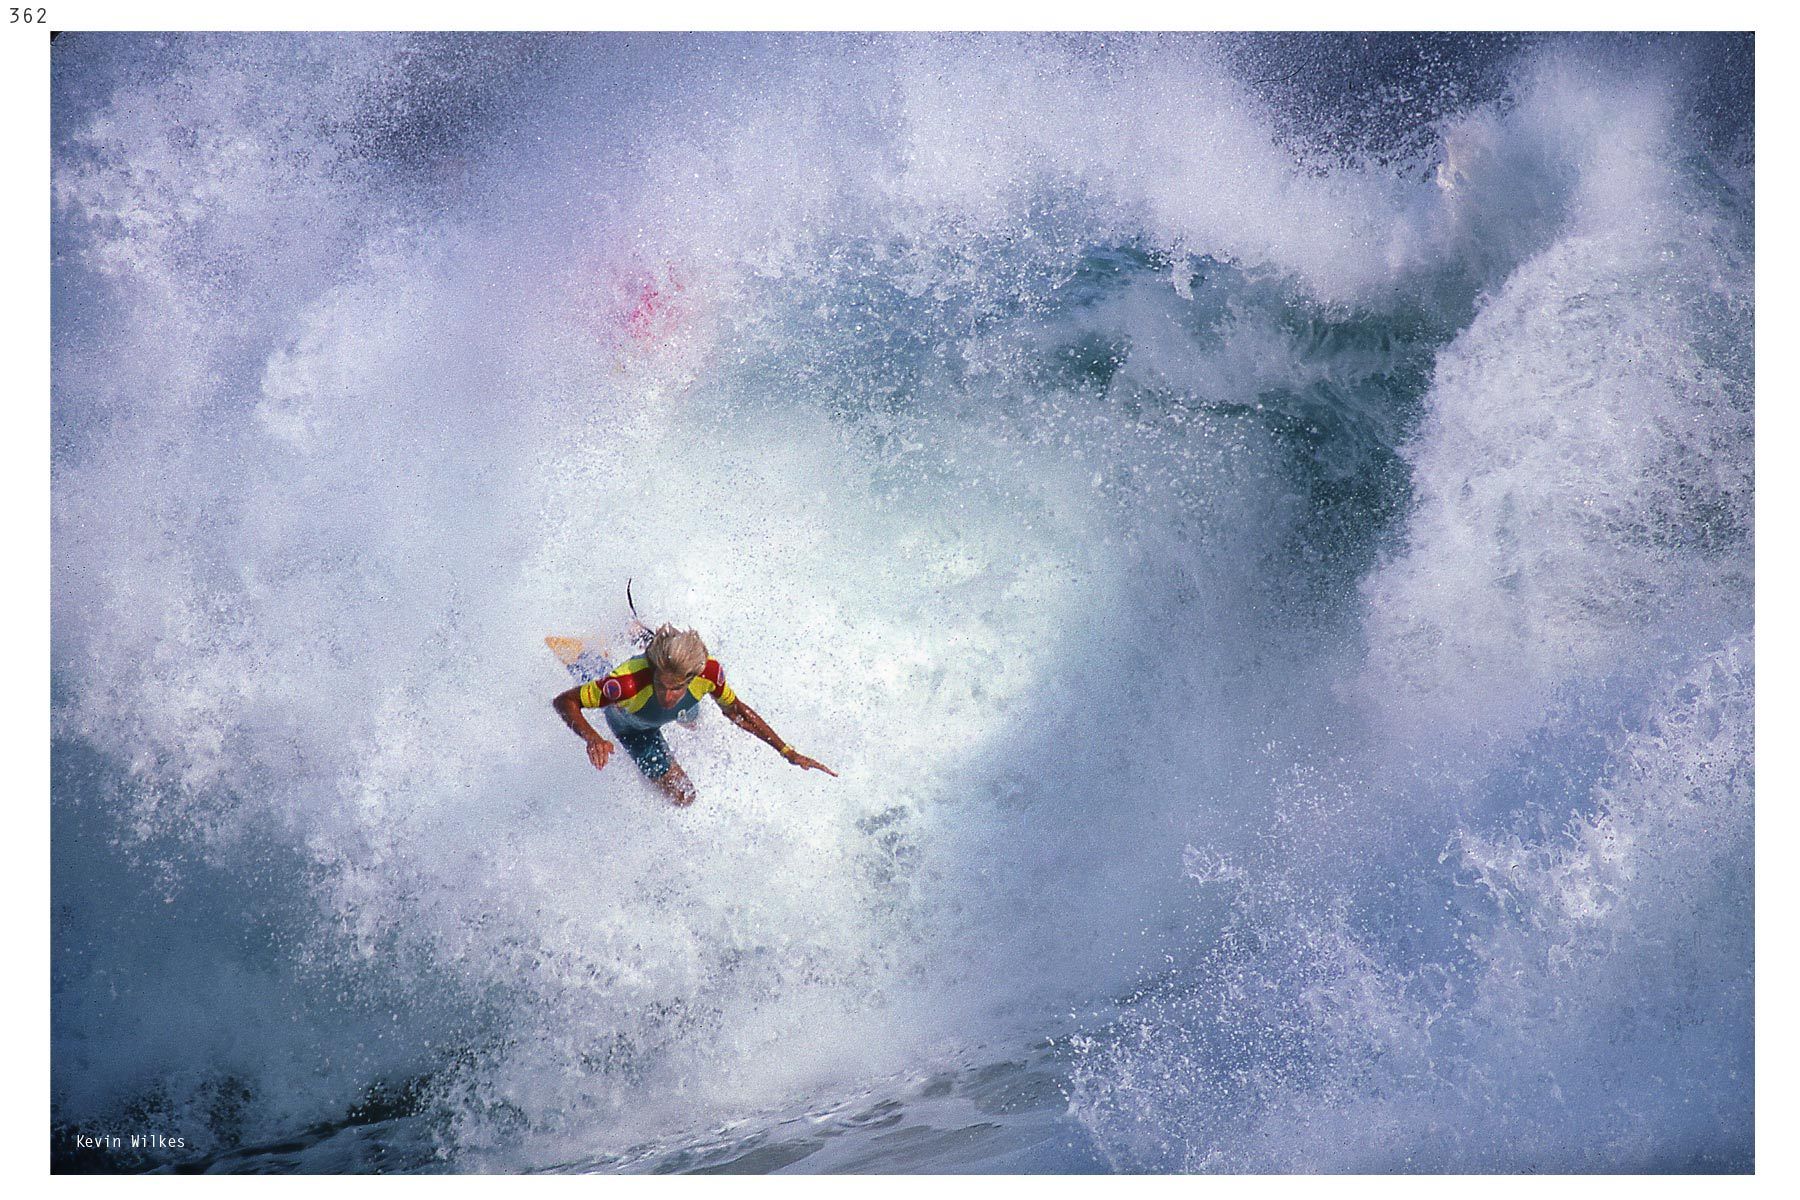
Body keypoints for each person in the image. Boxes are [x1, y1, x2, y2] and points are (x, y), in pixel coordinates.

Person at [552, 623, 836, 806]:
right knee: (684, 796)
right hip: (633, 727)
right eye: (661, 684)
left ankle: (643, 633)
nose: (667, 695)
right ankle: (586, 659)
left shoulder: (708, 674)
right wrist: (592, 738)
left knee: (692, 718)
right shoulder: (627, 684)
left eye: (676, 688)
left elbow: (737, 711)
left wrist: (787, 751)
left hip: (682, 704)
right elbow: (564, 702)